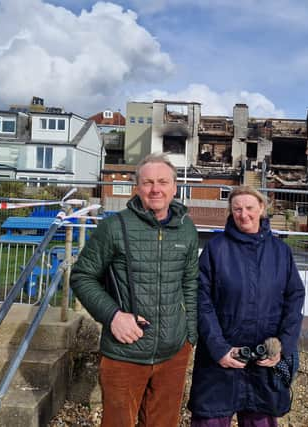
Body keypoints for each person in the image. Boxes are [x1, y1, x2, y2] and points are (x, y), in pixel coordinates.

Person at [70, 152, 199, 427]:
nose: (156, 189)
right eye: (148, 182)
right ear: (137, 188)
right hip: (124, 352)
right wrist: (113, 316)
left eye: (163, 182)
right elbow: (82, 277)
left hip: (174, 353)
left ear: (175, 187)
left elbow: (189, 282)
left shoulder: (187, 229)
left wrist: (190, 334)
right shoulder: (114, 227)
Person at [188, 185, 305, 427]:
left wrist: (282, 347)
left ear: (261, 208)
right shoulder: (215, 249)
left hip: (263, 364)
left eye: (250, 208)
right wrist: (219, 349)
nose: (244, 214)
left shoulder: (281, 252)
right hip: (219, 362)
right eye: (237, 209)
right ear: (230, 212)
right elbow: (201, 301)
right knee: (210, 419)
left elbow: (294, 300)